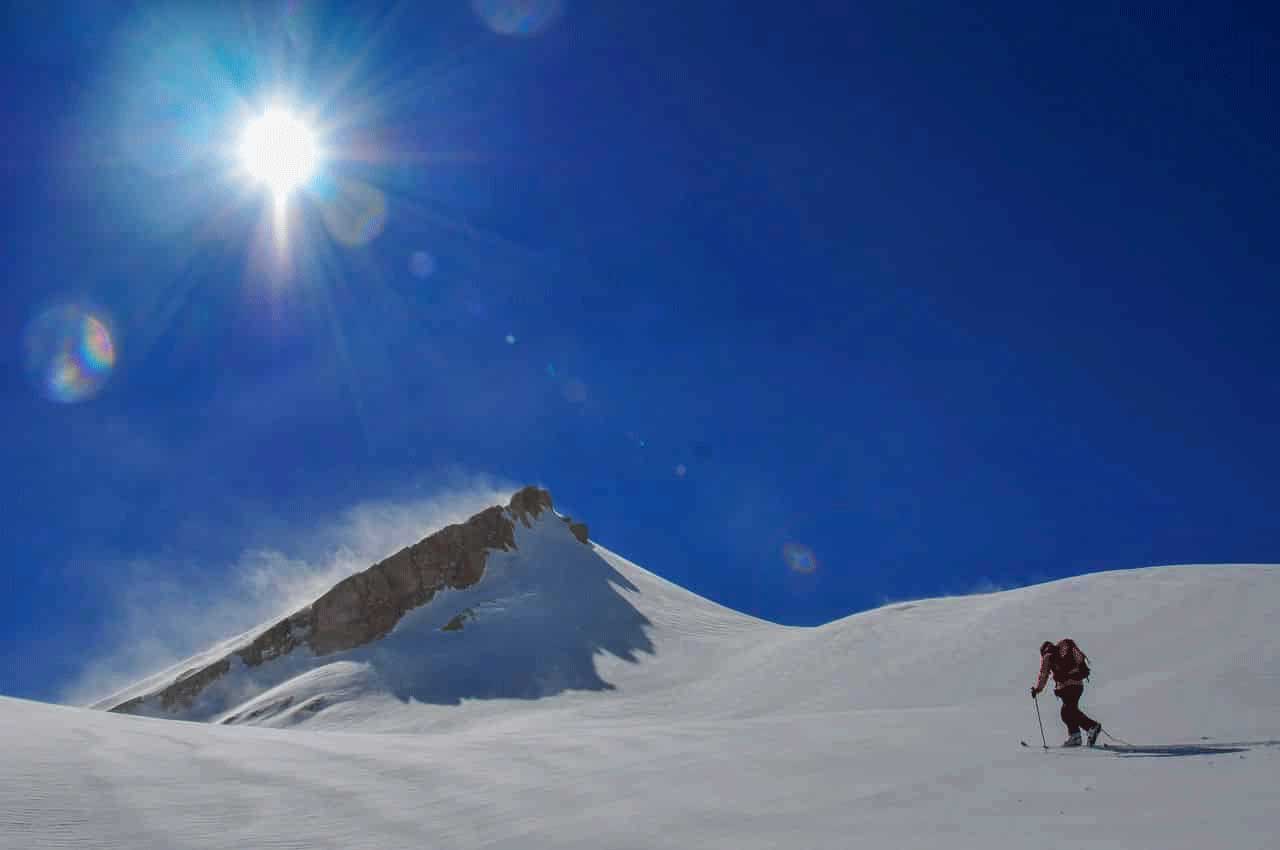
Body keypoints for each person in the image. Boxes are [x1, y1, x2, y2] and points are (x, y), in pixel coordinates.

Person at [1031, 639, 1102, 747]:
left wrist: (1037, 689)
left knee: (1067, 711)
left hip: (1067, 687)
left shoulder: (1048, 656)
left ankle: (1089, 728)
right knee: (1069, 711)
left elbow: (1044, 674)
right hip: (1078, 685)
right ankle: (1077, 735)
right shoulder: (1063, 649)